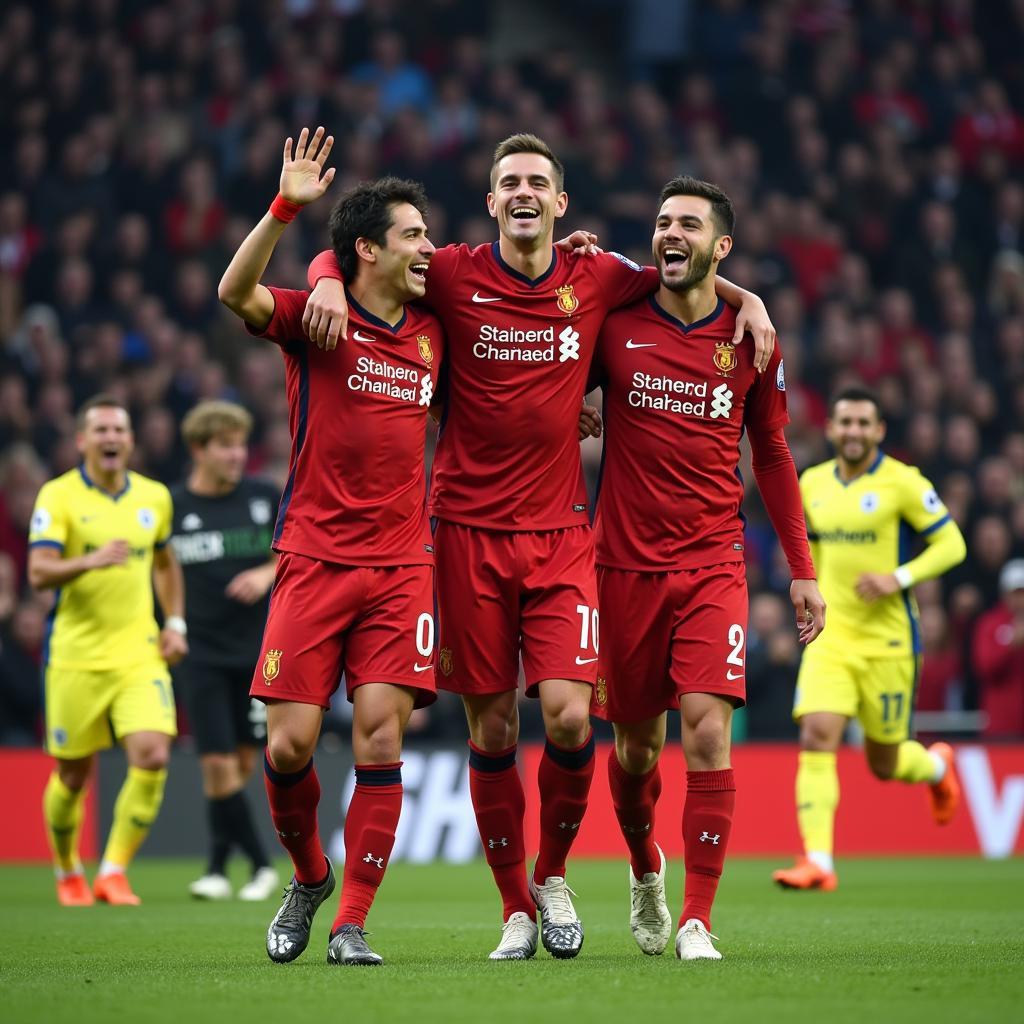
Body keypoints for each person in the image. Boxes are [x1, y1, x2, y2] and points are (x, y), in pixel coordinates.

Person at [301, 133, 777, 961]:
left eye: (538, 183)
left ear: (562, 205)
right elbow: (347, 255)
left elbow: (685, 270)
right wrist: (328, 283)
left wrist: (751, 302)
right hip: (464, 532)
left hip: (561, 535)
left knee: (564, 719)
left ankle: (554, 877)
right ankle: (517, 907)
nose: (523, 192)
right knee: (488, 733)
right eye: (508, 182)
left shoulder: (598, 277)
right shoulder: (448, 271)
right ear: (492, 204)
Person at [582, 177, 825, 961]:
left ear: (721, 247)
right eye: (661, 223)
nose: (670, 233)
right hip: (619, 565)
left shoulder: (752, 338)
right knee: (635, 752)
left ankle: (697, 918)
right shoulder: (615, 320)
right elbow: (538, 382)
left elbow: (776, 454)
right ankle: (645, 868)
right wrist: (571, 409)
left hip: (714, 561)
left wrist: (802, 568)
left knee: (709, 730)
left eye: (688, 223)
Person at [217, 126, 443, 967]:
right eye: (414, 235)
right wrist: (286, 214)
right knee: (289, 746)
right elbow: (232, 291)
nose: (428, 248)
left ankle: (352, 922)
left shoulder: (434, 331)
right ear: (367, 249)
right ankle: (309, 877)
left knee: (381, 738)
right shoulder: (315, 319)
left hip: (400, 566)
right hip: (311, 558)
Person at [772, 386, 967, 892]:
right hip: (832, 637)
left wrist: (897, 579)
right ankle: (819, 861)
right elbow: (807, 550)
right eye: (845, 422)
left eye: (864, 423)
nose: (854, 431)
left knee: (884, 762)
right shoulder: (812, 483)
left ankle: (935, 766)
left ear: (879, 430)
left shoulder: (904, 483)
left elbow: (953, 544)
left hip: (890, 642)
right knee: (816, 733)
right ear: (832, 429)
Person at [28, 394, 188, 906]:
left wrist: (176, 622)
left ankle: (114, 871)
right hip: (75, 656)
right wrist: (90, 560)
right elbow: (37, 572)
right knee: (73, 774)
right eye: (100, 430)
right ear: (81, 441)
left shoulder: (154, 497)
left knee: (153, 752)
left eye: (119, 430)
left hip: (139, 653)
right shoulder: (57, 497)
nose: (111, 438)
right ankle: (67, 867)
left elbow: (165, 562)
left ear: (131, 440)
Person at [170, 400, 280, 902]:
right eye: (226, 446)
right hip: (201, 653)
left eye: (241, 444)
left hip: (258, 653)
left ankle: (216, 867)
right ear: (199, 449)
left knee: (237, 765)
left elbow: (295, 550)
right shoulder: (174, 507)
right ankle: (261, 865)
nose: (238, 455)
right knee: (216, 765)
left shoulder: (263, 496)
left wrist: (265, 573)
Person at [971, 558, 1024, 738]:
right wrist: (1011, 645)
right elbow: (984, 667)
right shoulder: (990, 624)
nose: (1020, 599)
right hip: (1003, 726)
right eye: (1016, 593)